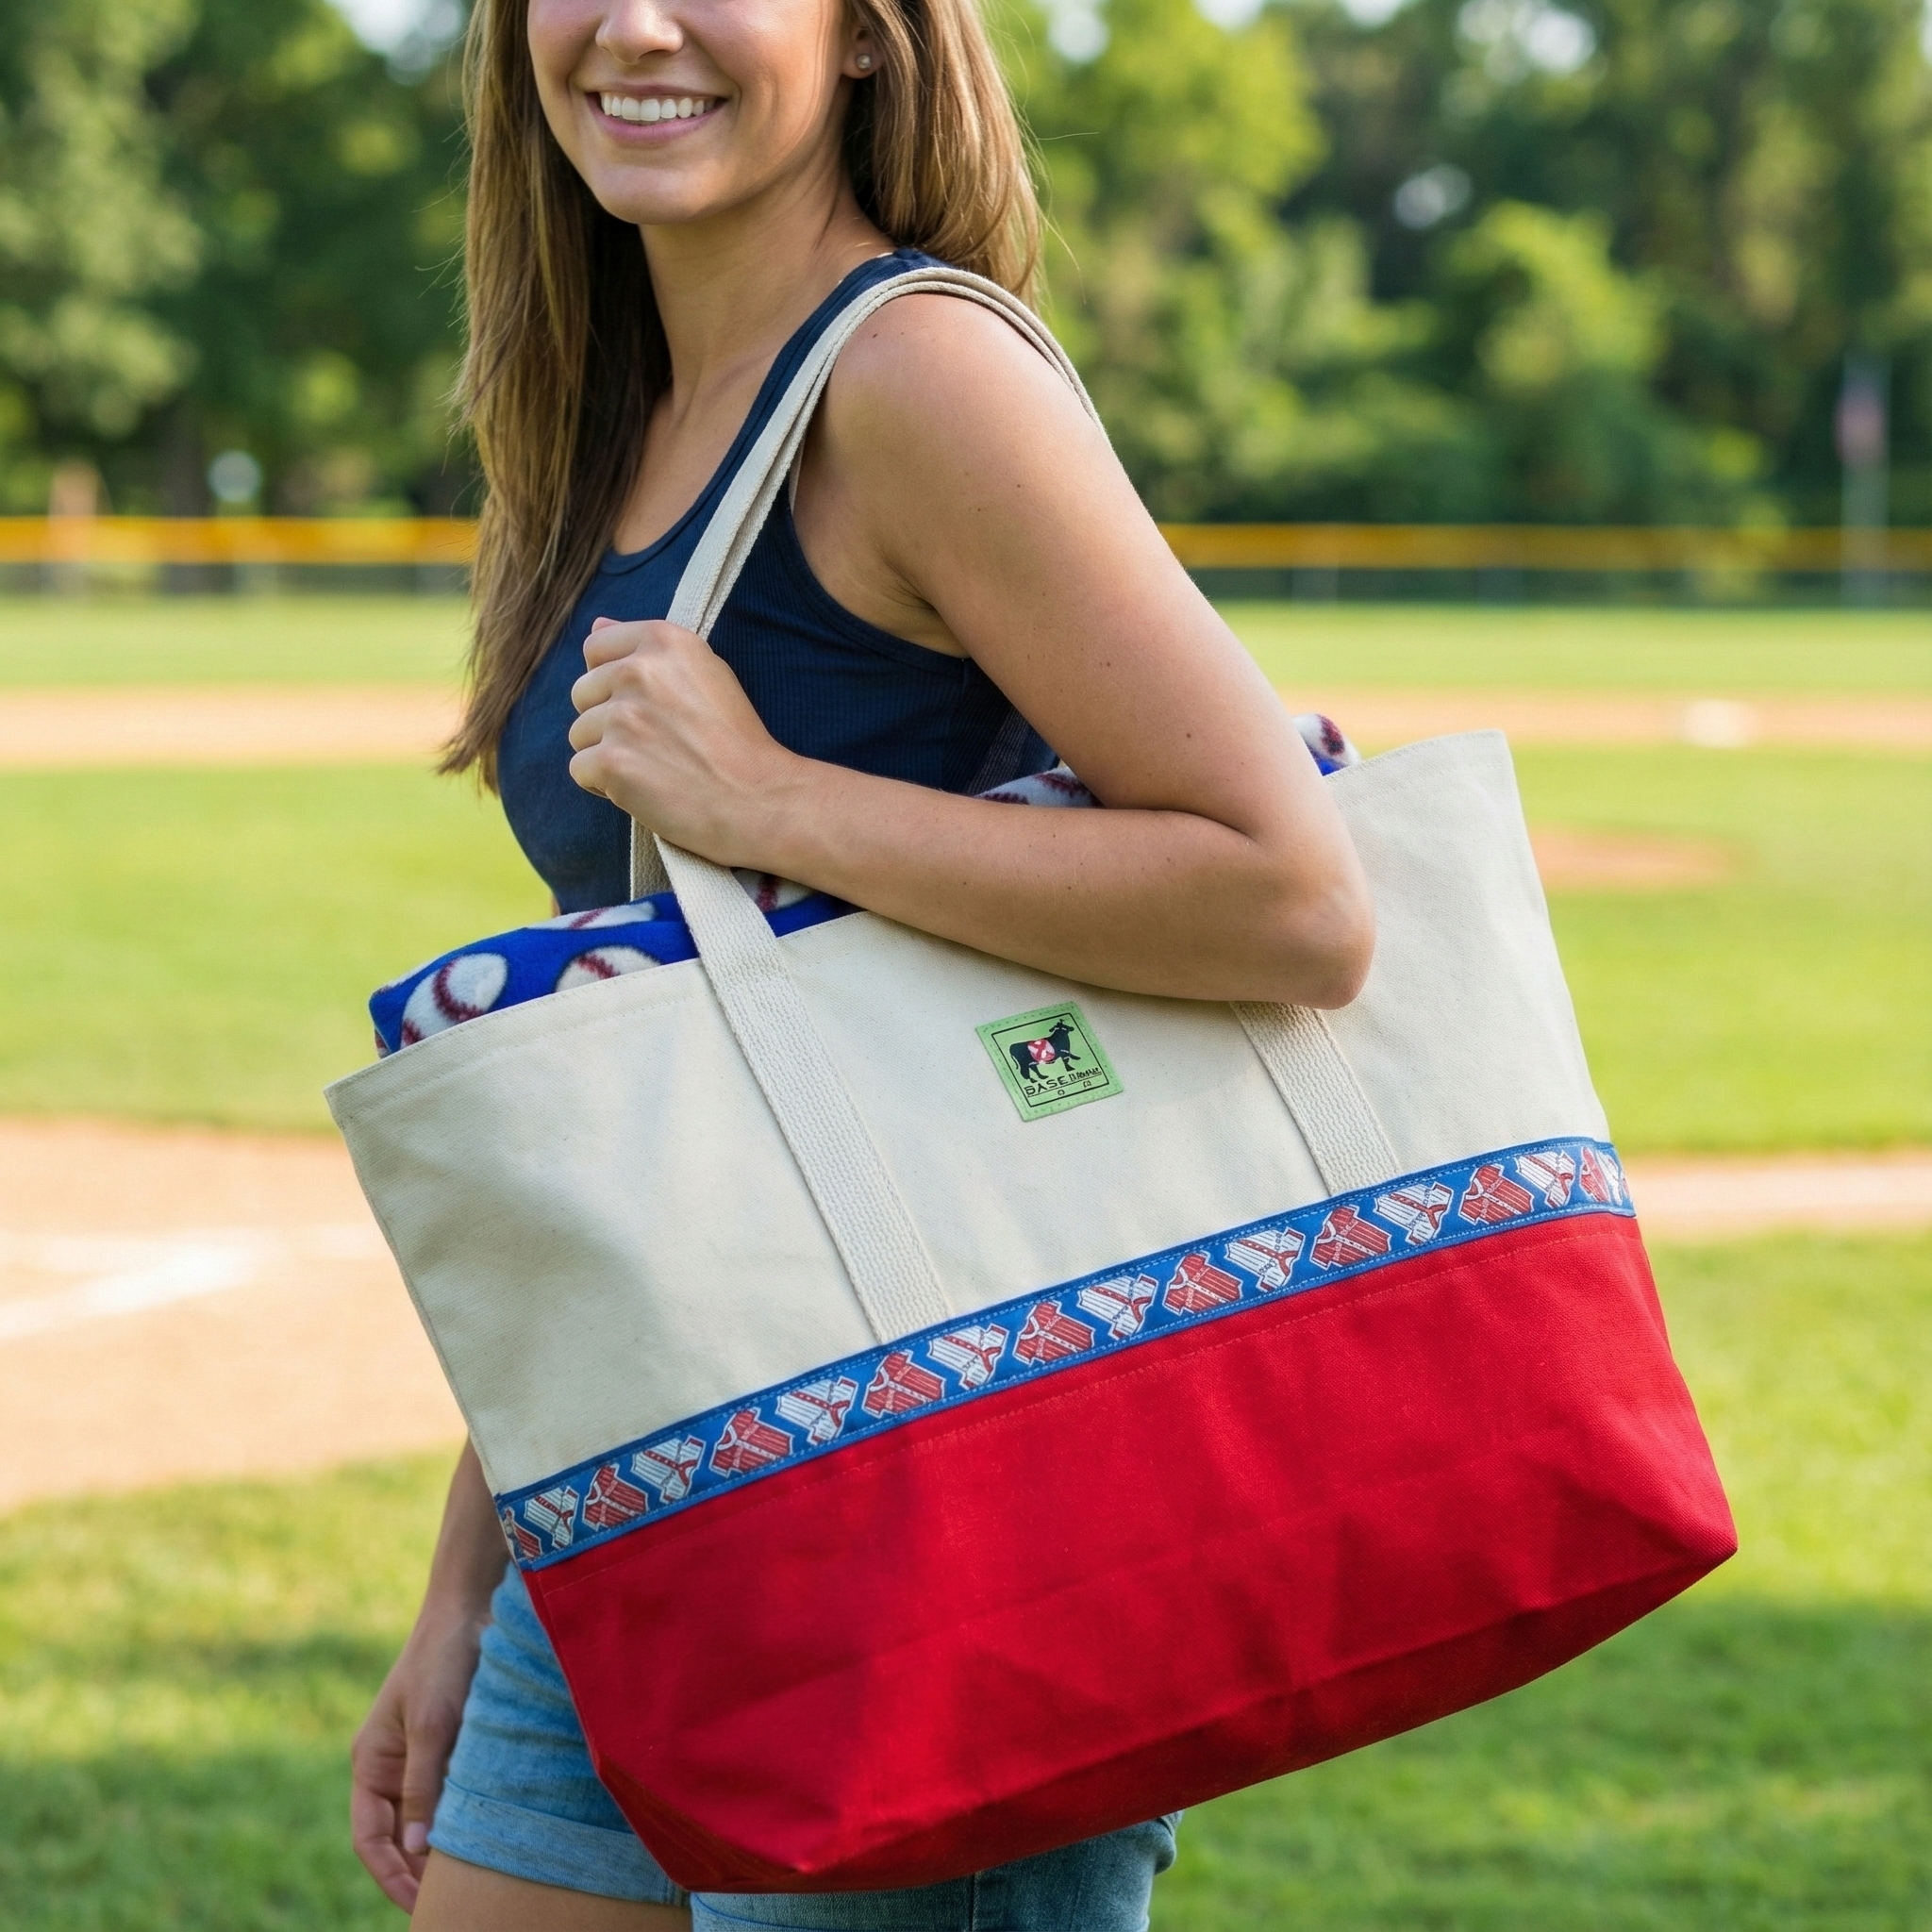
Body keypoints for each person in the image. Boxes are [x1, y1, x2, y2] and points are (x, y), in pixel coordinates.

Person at [351, 0, 1375, 1924]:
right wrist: (470, 1580)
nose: (635, 25)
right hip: (648, 1480)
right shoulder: (611, 408)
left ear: (873, 35)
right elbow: (657, 1073)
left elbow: (1295, 896)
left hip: (955, 1500)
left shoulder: (917, 380)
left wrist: (779, 803)